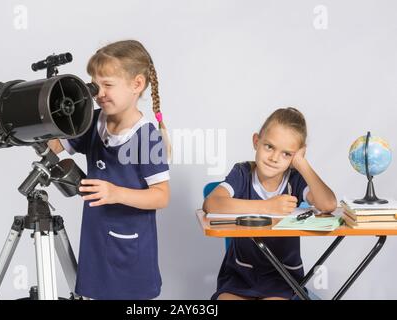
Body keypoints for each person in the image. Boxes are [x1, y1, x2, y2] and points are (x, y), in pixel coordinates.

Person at [48, 40, 170, 300]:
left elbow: (161, 196)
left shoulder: (146, 137)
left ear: (136, 85)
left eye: (108, 85)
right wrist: (46, 116)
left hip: (129, 249)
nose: (99, 93)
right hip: (96, 240)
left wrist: (117, 193)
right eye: (95, 84)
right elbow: (54, 146)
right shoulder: (93, 119)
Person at [202, 107, 337, 300]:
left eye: (286, 153)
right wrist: (267, 207)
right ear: (256, 141)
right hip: (240, 276)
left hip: (283, 278)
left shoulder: (295, 180)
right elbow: (211, 203)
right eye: (269, 146)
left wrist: (302, 163)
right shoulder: (242, 173)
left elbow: (328, 204)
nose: (274, 158)